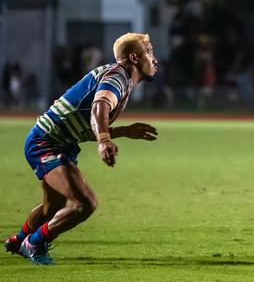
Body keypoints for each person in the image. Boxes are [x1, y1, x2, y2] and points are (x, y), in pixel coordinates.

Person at [3, 33, 159, 265]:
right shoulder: (117, 76)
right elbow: (100, 107)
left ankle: (19, 240)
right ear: (135, 58)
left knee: (52, 206)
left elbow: (87, 127)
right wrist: (104, 139)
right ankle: (34, 242)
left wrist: (123, 131)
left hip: (59, 142)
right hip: (45, 142)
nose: (154, 59)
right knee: (85, 204)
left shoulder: (119, 78)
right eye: (150, 52)